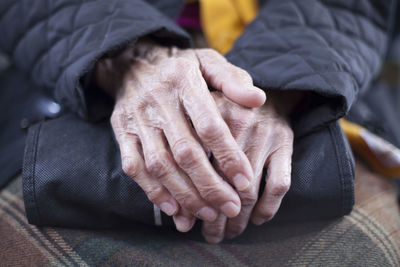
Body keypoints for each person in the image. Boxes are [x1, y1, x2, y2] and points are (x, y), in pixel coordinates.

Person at [0, 0, 399, 246]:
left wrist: (272, 85)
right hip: (72, 72)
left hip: (314, 78)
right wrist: (128, 56)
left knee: (361, 252)